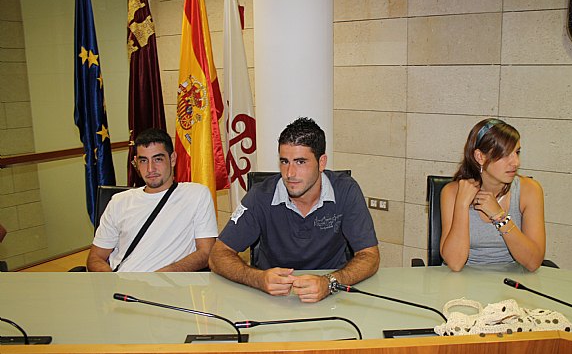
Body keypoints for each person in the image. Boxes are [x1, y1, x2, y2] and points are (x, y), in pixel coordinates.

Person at [210, 117, 380, 303]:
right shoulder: (260, 195)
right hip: (272, 299)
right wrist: (258, 279)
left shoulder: (346, 190)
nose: (290, 173)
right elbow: (218, 255)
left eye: (300, 162)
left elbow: (370, 256)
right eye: (284, 161)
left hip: (332, 296)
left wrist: (329, 282)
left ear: (322, 163)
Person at [86, 128, 218, 272]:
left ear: (172, 159)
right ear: (136, 162)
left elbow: (206, 252)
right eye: (143, 161)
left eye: (158, 159)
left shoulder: (196, 195)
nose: (150, 169)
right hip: (122, 282)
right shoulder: (119, 201)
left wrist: (163, 276)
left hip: (168, 283)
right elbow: (96, 258)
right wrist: (113, 281)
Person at [440, 118, 545, 272]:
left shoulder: (529, 190)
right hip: (463, 279)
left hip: (510, 280)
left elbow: (533, 262)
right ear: (480, 157)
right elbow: (455, 263)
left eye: (517, 152)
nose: (516, 162)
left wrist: (499, 217)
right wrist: (462, 205)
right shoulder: (452, 192)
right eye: (505, 154)